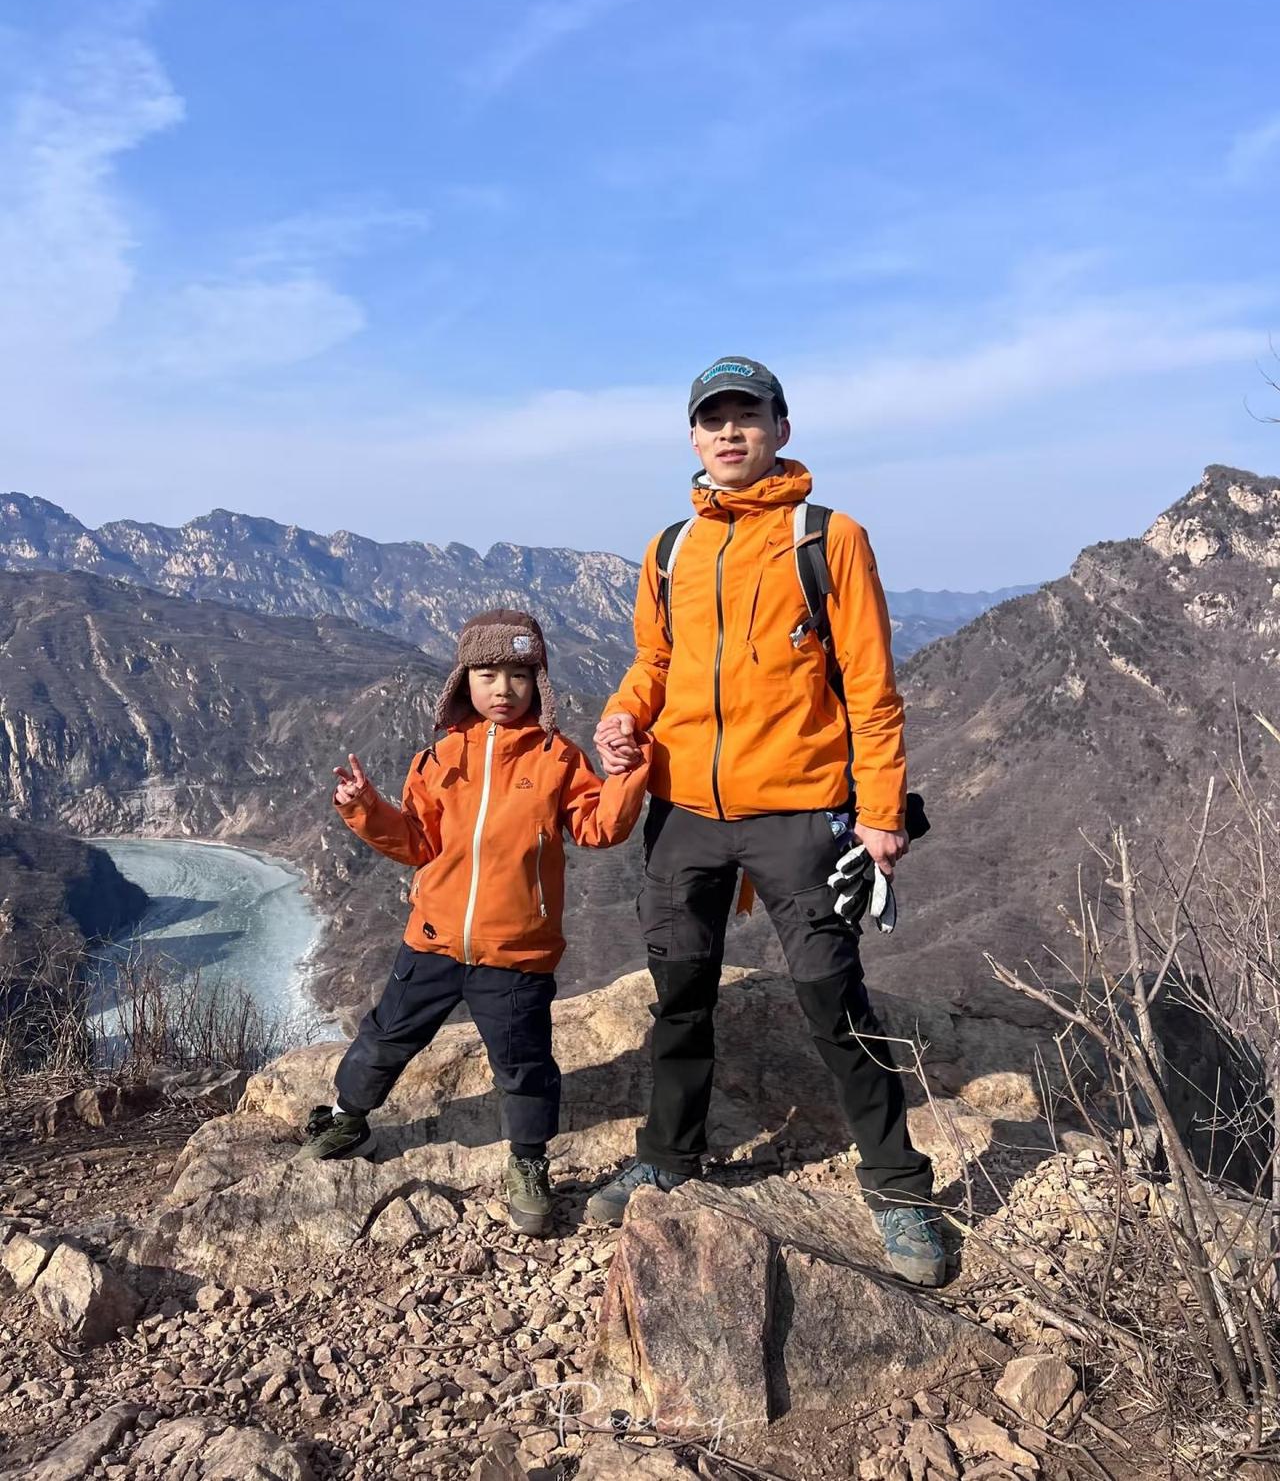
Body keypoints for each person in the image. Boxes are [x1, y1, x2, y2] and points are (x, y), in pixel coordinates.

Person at [586, 357, 944, 1286]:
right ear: (693, 437)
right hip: (685, 812)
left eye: (748, 416)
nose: (730, 432)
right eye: (714, 419)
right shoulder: (671, 548)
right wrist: (623, 714)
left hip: (799, 811)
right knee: (679, 992)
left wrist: (880, 813)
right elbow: (654, 661)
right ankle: (669, 1154)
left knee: (833, 996)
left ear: (782, 429)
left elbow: (871, 687)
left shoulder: (827, 537)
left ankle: (899, 1186)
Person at [301, 609, 650, 1236]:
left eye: (518, 675)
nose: (502, 689)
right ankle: (348, 1119)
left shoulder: (558, 758)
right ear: (464, 681)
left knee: (523, 1064)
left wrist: (625, 776)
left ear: (539, 683)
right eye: (487, 674)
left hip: (517, 951)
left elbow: (600, 827)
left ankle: (529, 1162)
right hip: (433, 940)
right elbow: (416, 842)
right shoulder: (438, 758)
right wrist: (365, 808)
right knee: (386, 1036)